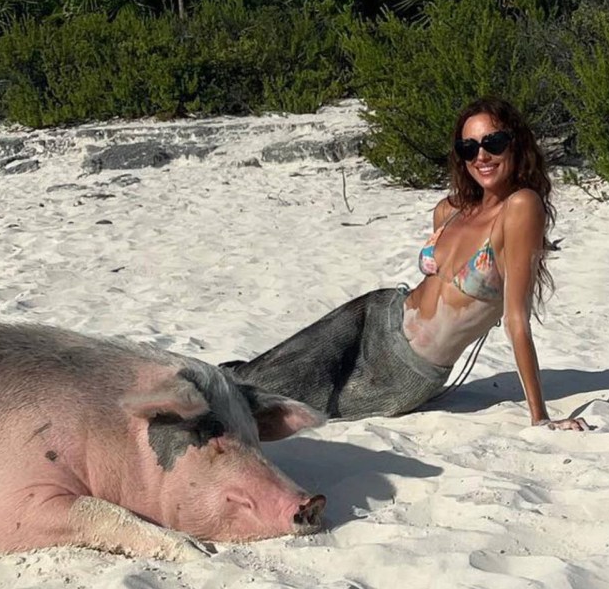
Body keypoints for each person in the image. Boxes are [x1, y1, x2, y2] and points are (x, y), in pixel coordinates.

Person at [227, 97, 588, 430]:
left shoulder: (522, 206)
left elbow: (516, 318)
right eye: (469, 147)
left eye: (493, 143)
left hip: (408, 370)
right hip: (375, 315)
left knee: (282, 406)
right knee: (254, 377)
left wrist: (540, 418)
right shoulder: (450, 210)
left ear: (516, 143)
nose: (481, 156)